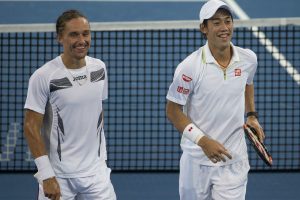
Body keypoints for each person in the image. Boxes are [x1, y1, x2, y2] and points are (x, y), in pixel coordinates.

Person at [166, 0, 265, 199]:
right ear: (204, 28)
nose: (224, 28)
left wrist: (252, 115)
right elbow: (173, 110)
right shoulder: (189, 68)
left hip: (233, 162)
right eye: (216, 22)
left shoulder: (248, 59)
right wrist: (203, 141)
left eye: (228, 21)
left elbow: (247, 83)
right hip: (196, 162)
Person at [23, 9, 116, 200]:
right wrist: (46, 174)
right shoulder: (43, 77)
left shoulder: (100, 68)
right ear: (60, 38)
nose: (82, 40)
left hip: (96, 174)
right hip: (58, 176)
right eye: (74, 34)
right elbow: (31, 126)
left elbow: (96, 111)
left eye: (85, 33)